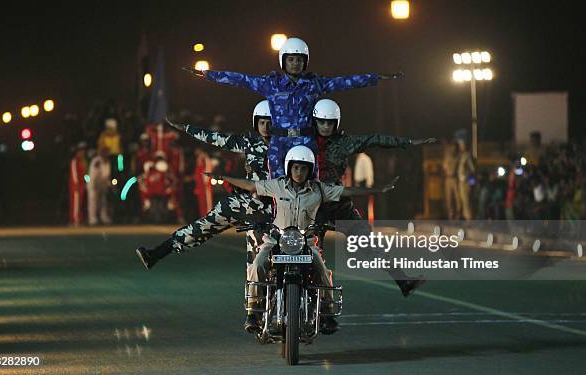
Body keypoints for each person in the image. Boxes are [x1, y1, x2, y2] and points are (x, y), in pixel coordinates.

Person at [207, 145, 395, 333]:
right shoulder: (277, 185)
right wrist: (223, 177)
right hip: (276, 240)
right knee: (257, 265)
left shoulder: (319, 190)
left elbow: (348, 191)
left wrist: (379, 190)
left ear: (310, 170)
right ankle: (253, 313)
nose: (299, 172)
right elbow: (250, 185)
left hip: (306, 241)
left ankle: (327, 313)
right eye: (296, 168)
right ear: (289, 168)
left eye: (303, 168)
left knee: (322, 269)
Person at [185, 37, 403, 178]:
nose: (295, 64)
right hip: (279, 141)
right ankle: (279, 233)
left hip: (306, 140)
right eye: (291, 59)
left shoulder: (313, 83)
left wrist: (374, 78)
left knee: (311, 185)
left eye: (299, 60)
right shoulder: (270, 84)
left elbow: (344, 82)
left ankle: (310, 234)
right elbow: (239, 79)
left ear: (305, 62)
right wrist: (208, 74)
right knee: (278, 187)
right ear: (283, 61)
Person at [311, 98, 435, 296]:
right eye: (321, 122)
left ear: (337, 123)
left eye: (330, 122)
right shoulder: (301, 141)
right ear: (314, 121)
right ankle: (316, 305)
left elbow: (375, 139)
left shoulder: (344, 142)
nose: (325, 126)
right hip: (310, 206)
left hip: (339, 204)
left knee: (369, 243)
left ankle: (402, 281)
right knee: (310, 257)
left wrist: (407, 142)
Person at [135, 101, 274, 269]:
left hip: (271, 207)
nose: (265, 126)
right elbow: (215, 138)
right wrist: (186, 128)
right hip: (243, 200)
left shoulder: (286, 147)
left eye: (270, 122)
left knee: (259, 258)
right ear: (255, 123)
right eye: (262, 122)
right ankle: (156, 254)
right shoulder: (249, 142)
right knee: (200, 227)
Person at [87, 147, 112, 225]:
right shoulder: (97, 161)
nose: (107, 154)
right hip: (94, 185)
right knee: (93, 202)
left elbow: (107, 175)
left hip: (102, 185)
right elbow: (94, 175)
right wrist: (96, 185)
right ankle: (92, 218)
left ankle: (103, 217)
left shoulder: (107, 161)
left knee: (103, 202)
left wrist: (109, 184)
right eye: (105, 153)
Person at [69, 142, 88, 226]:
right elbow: (74, 173)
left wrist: (87, 182)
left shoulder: (83, 161)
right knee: (75, 203)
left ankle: (79, 218)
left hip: (82, 185)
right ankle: (75, 219)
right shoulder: (75, 160)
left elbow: (85, 173)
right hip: (76, 185)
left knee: (80, 203)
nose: (82, 153)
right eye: (81, 151)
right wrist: (76, 183)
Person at [456, 139, 476, 220]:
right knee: (464, 201)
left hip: (466, 182)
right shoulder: (461, 155)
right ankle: (467, 218)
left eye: (462, 144)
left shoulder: (468, 155)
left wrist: (470, 181)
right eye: (460, 144)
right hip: (461, 182)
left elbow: (473, 169)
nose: (461, 146)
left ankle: (470, 219)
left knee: (467, 201)